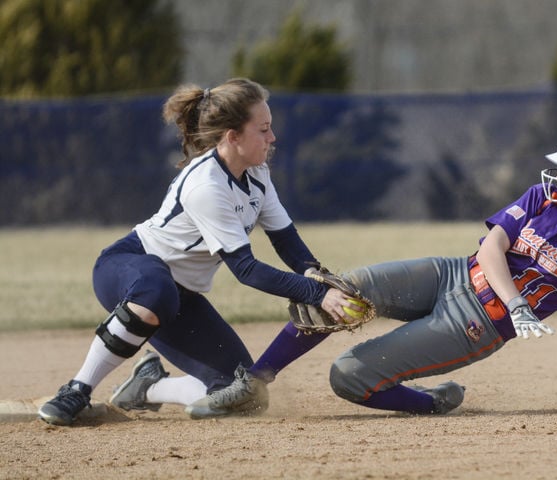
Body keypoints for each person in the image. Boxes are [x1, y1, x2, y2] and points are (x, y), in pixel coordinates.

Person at [200, 125, 557, 417]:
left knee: (347, 375)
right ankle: (255, 383)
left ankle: (431, 402)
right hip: (451, 273)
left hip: (474, 325)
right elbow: (492, 249)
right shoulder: (541, 197)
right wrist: (519, 304)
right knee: (339, 292)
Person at [37, 78, 360, 426]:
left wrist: (315, 274)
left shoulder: (257, 173)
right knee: (157, 290)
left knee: (241, 395)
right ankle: (77, 389)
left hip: (179, 297)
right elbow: (246, 270)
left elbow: (286, 240)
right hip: (129, 269)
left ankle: (149, 387)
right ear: (232, 136)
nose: (272, 138)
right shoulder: (207, 185)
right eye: (263, 129)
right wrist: (316, 294)